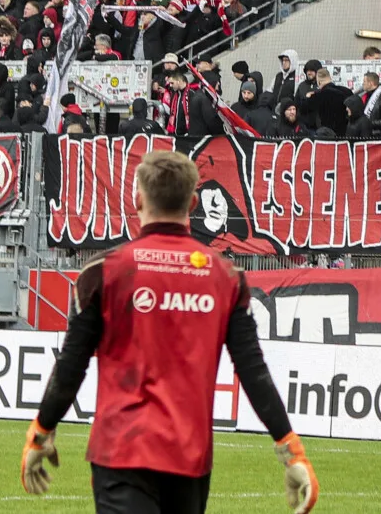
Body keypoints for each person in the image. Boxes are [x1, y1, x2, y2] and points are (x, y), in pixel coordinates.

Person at [21, 149, 316, 514]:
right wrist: (290, 449)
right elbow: (253, 371)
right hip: (189, 460)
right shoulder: (226, 277)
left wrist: (41, 433)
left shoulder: (102, 272)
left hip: (121, 452)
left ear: (138, 199)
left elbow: (71, 366)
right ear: (193, 202)